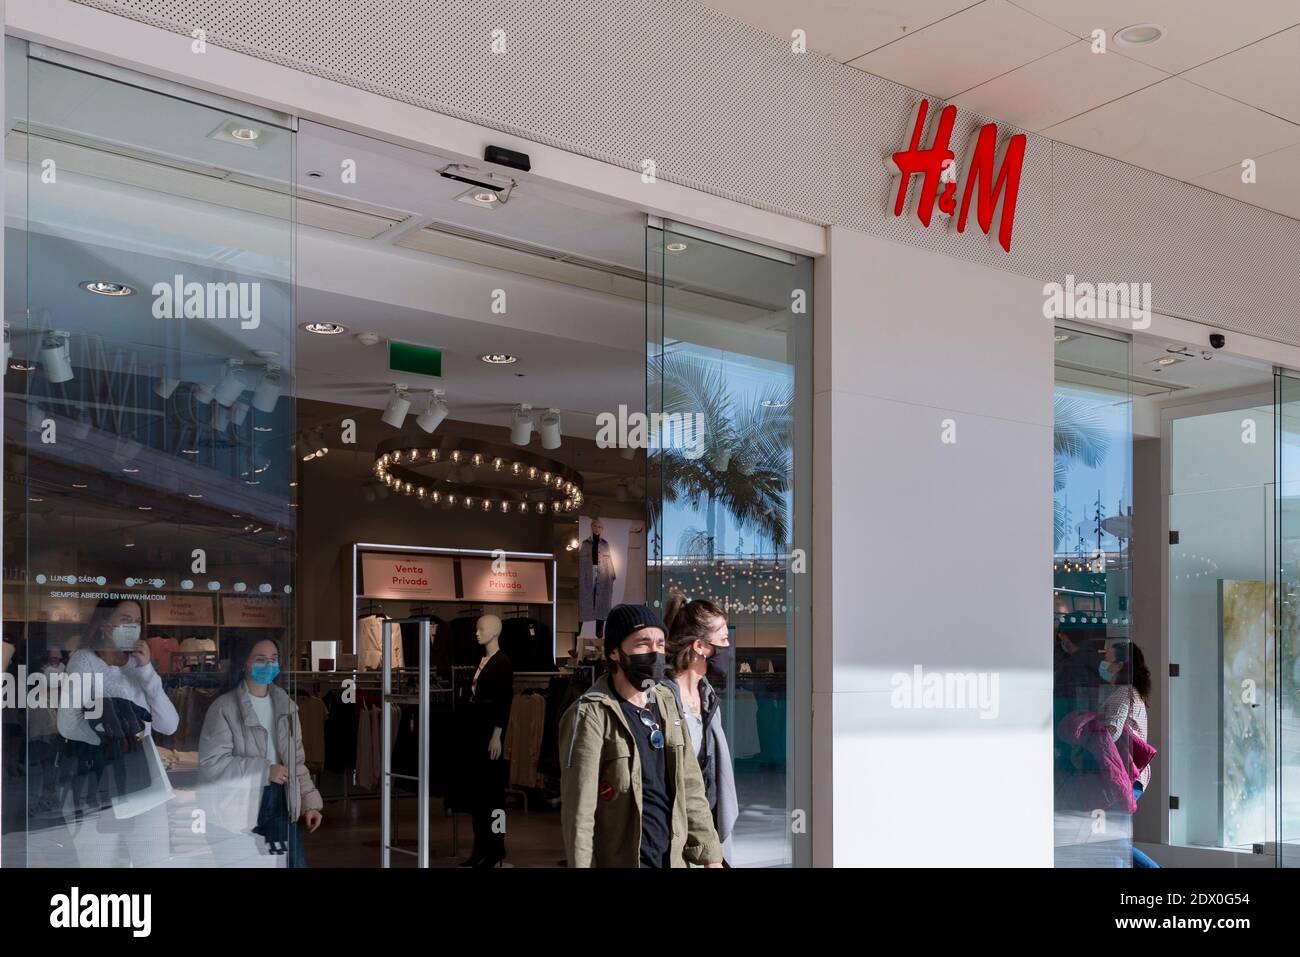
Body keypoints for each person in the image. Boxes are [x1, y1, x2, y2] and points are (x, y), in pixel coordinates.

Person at [559, 603, 722, 868]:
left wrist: (710, 855)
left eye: (660, 644)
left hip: (671, 860)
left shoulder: (667, 701)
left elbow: (690, 783)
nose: (654, 653)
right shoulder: (591, 715)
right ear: (614, 652)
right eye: (642, 644)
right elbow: (579, 813)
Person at [57, 598, 180, 867]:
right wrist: (114, 741)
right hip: (101, 778)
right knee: (97, 861)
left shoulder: (139, 665)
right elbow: (67, 722)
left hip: (145, 780)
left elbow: (168, 724)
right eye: (125, 620)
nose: (133, 627)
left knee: (154, 861)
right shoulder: (84, 660)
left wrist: (147, 671)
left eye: (137, 622)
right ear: (104, 625)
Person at [198, 638, 322, 867]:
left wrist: (309, 802)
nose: (269, 665)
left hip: (280, 799)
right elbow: (212, 763)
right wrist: (264, 770)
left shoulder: (287, 706)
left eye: (274, 659)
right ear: (245, 663)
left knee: (291, 863)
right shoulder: (224, 708)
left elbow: (296, 761)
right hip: (239, 802)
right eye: (260, 659)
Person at [662, 594, 739, 865]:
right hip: (676, 834)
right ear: (700, 646)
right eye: (723, 640)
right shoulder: (663, 700)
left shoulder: (707, 698)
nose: (729, 648)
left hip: (709, 830)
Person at [1101, 640, 1158, 868]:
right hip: (1133, 775)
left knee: (1113, 839)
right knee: (1113, 839)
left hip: (1127, 775)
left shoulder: (1123, 693)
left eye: (1108, 658)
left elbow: (1111, 732)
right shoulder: (1132, 693)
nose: (1104, 663)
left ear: (1121, 664)